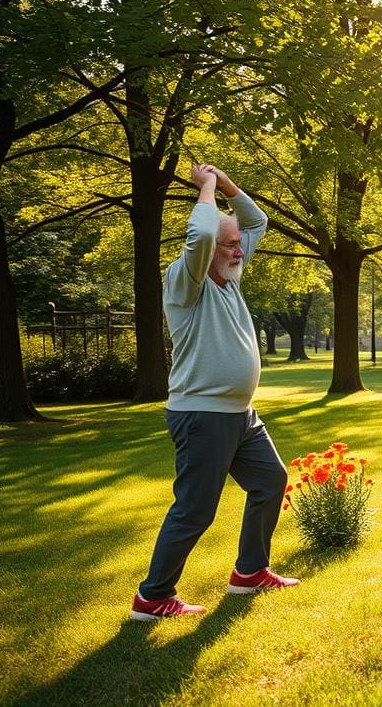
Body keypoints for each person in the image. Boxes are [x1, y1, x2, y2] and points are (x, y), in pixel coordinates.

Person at [131, 164, 298, 622]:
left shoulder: (230, 276)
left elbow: (257, 221)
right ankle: (153, 597)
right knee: (195, 511)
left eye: (237, 243)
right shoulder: (187, 284)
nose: (239, 249)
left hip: (241, 415)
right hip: (203, 415)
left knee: (269, 481)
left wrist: (226, 183)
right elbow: (203, 235)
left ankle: (249, 572)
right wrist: (205, 188)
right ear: (209, 251)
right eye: (230, 244)